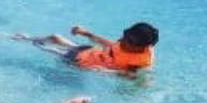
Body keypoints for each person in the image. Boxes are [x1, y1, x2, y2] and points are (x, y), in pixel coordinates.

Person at [12, 22, 159, 75]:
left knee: (46, 48)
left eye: (129, 41)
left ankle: (30, 42)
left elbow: (128, 76)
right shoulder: (128, 42)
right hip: (89, 51)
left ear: (140, 47)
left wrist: (101, 71)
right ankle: (26, 38)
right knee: (55, 37)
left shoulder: (140, 62)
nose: (123, 41)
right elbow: (110, 45)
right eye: (125, 35)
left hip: (81, 62)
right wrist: (87, 33)